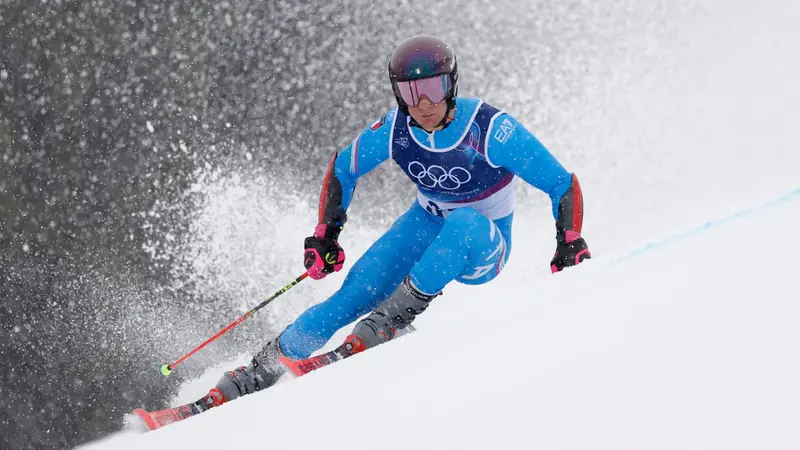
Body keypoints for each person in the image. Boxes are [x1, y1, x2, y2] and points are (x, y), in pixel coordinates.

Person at [191, 34, 590, 414]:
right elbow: (342, 169)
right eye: (410, 94)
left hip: (482, 246)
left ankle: (392, 321)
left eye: (433, 89)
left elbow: (561, 183)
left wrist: (568, 241)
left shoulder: (490, 129)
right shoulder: (396, 128)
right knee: (351, 296)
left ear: (451, 85)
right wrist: (326, 235)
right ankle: (262, 368)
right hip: (425, 225)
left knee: (465, 221)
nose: (423, 104)